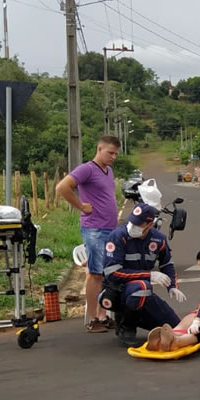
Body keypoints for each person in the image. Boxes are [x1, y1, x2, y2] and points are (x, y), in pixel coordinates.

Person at [98, 203, 188, 347]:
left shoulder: (159, 239)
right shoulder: (117, 237)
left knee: (177, 327)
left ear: (150, 224)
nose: (133, 226)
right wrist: (149, 275)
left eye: (138, 224)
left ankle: (131, 317)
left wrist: (172, 286)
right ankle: (126, 327)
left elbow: (167, 265)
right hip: (116, 290)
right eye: (132, 221)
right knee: (142, 286)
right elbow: (112, 273)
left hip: (143, 293)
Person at [56, 135, 121, 333]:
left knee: (107, 274)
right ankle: (92, 319)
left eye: (116, 154)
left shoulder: (108, 171)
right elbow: (62, 187)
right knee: (95, 274)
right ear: (99, 148)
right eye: (110, 153)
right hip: (95, 229)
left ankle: (103, 315)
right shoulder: (87, 169)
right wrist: (81, 206)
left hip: (109, 229)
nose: (113, 157)